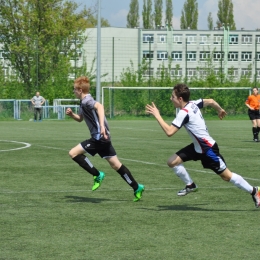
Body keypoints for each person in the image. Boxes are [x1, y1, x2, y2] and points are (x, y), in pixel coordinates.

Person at [145, 83, 260, 208]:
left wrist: (157, 115)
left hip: (208, 150)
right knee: (172, 162)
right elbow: (211, 101)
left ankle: (254, 191)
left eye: (172, 96)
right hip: (197, 147)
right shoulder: (193, 104)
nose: (170, 98)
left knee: (227, 176)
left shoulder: (184, 112)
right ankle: (190, 185)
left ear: (180, 99)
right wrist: (219, 109)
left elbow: (169, 132)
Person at [66, 76, 144, 202]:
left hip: (99, 138)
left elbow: (100, 107)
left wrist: (102, 126)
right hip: (104, 138)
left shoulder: (87, 101)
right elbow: (80, 119)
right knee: (116, 165)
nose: (73, 91)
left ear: (80, 90)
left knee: (73, 153)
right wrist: (71, 115)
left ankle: (97, 175)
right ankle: (137, 187)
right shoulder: (83, 102)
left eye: (74, 89)